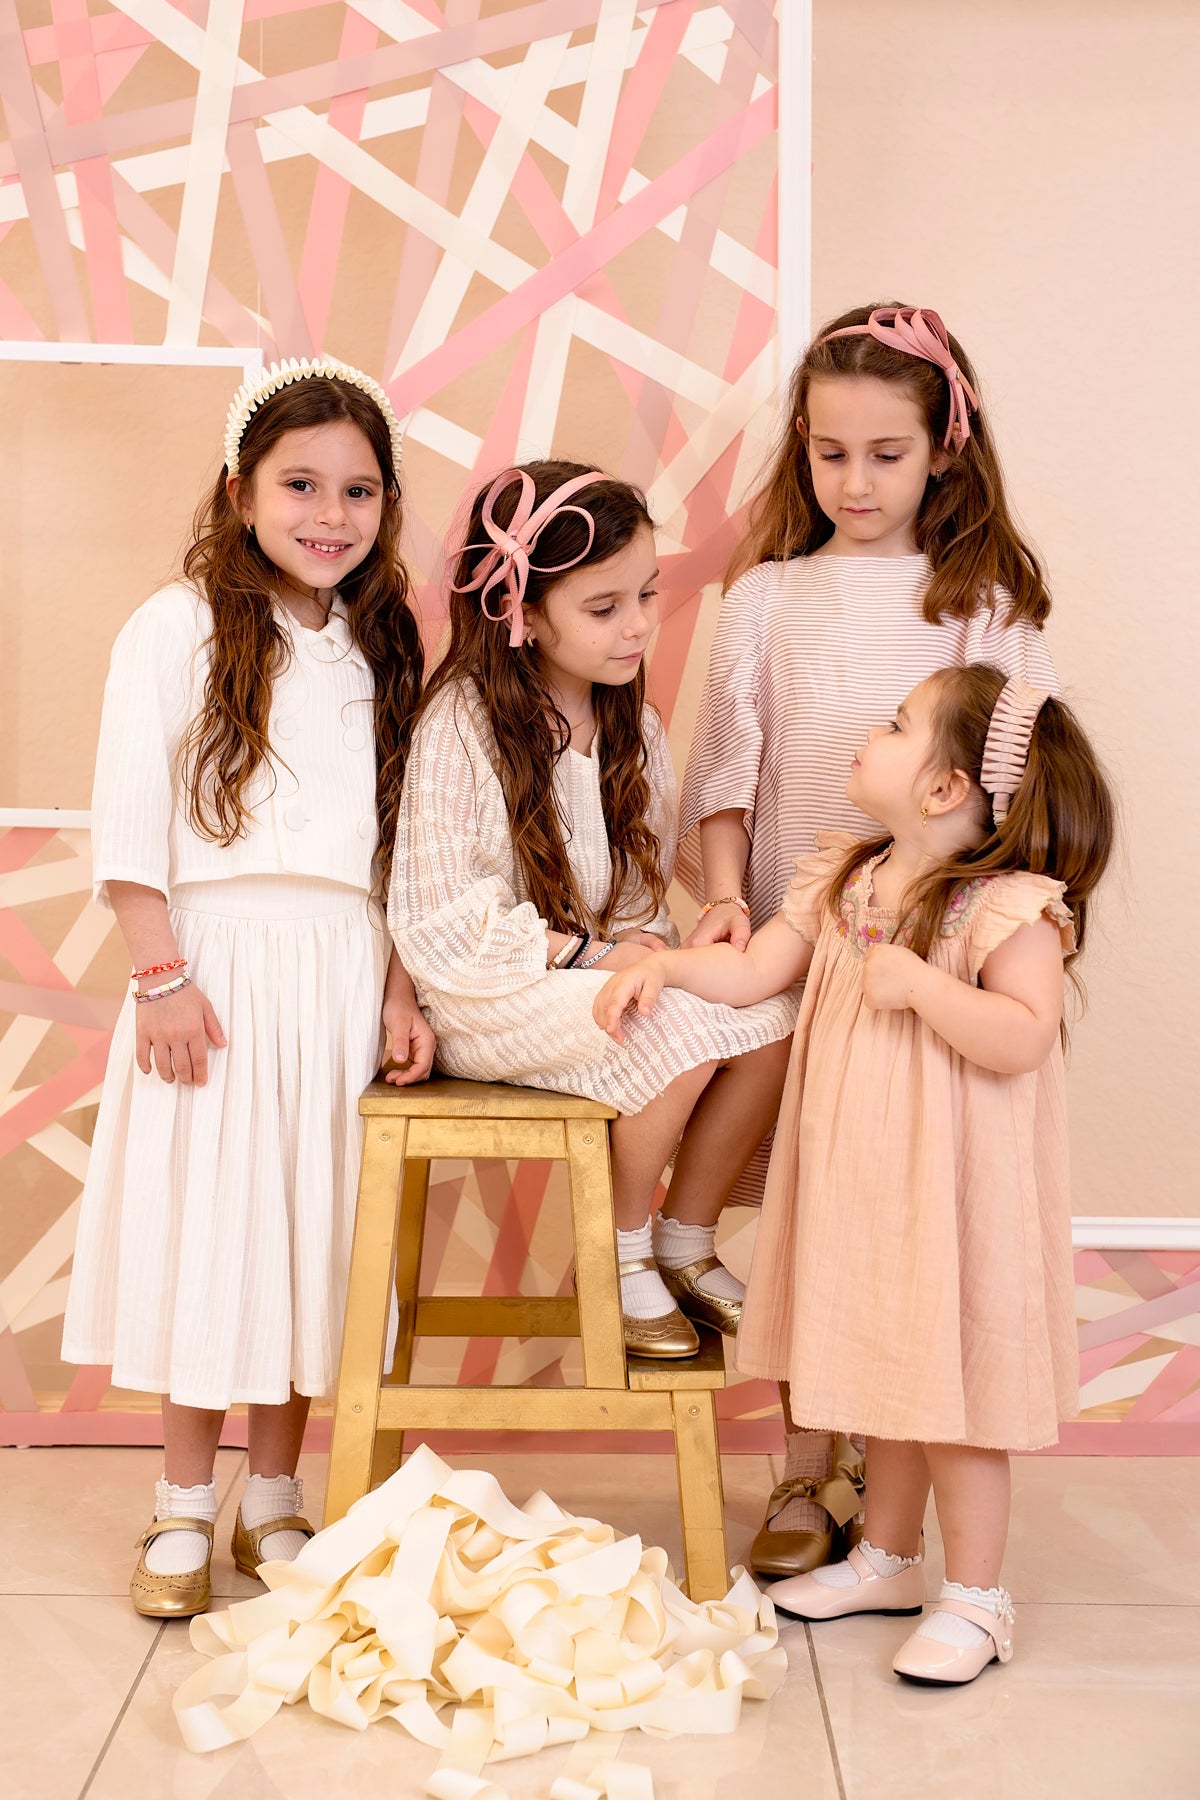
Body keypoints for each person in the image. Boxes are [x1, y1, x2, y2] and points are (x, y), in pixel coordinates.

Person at [595, 663, 1115, 1684]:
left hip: (951, 1193)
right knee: (885, 1374)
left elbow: (1023, 1036)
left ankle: (978, 1599)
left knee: (954, 1397)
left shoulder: (1004, 910)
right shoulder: (845, 880)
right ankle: (887, 1558)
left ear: (945, 787)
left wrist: (920, 984)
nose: (870, 734)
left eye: (896, 724)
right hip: (862, 1184)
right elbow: (755, 970)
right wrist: (663, 965)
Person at [677, 302, 1061, 1579]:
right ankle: (808, 1464)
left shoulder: (985, 607)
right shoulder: (766, 600)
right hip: (801, 939)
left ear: (945, 448)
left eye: (885, 455)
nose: (854, 482)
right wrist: (725, 896)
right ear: (802, 444)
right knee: (810, 1208)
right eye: (830, 453)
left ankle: (903, 1504)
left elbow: (1015, 787)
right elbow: (725, 774)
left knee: (903, 1213)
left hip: (924, 964)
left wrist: (961, 944)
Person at [61, 357, 433, 1620]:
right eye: (300, 485)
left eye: (359, 491)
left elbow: (401, 845)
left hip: (339, 969)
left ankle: (273, 1493)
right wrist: (159, 973)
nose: (330, 514)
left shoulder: (384, 642)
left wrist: (398, 988)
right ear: (239, 491)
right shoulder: (174, 627)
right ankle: (181, 1502)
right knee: (211, 1223)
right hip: (212, 967)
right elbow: (129, 818)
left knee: (309, 1229)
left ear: (386, 506)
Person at [387, 461, 797, 1360]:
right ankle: (621, 1246)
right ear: (524, 613)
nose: (639, 624)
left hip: (591, 981)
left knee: (774, 1022)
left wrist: (647, 943)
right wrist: (595, 957)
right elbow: (441, 920)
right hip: (487, 994)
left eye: (645, 594)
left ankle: (686, 1239)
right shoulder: (462, 720)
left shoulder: (631, 729)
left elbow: (640, 892)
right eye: (604, 607)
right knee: (669, 1028)